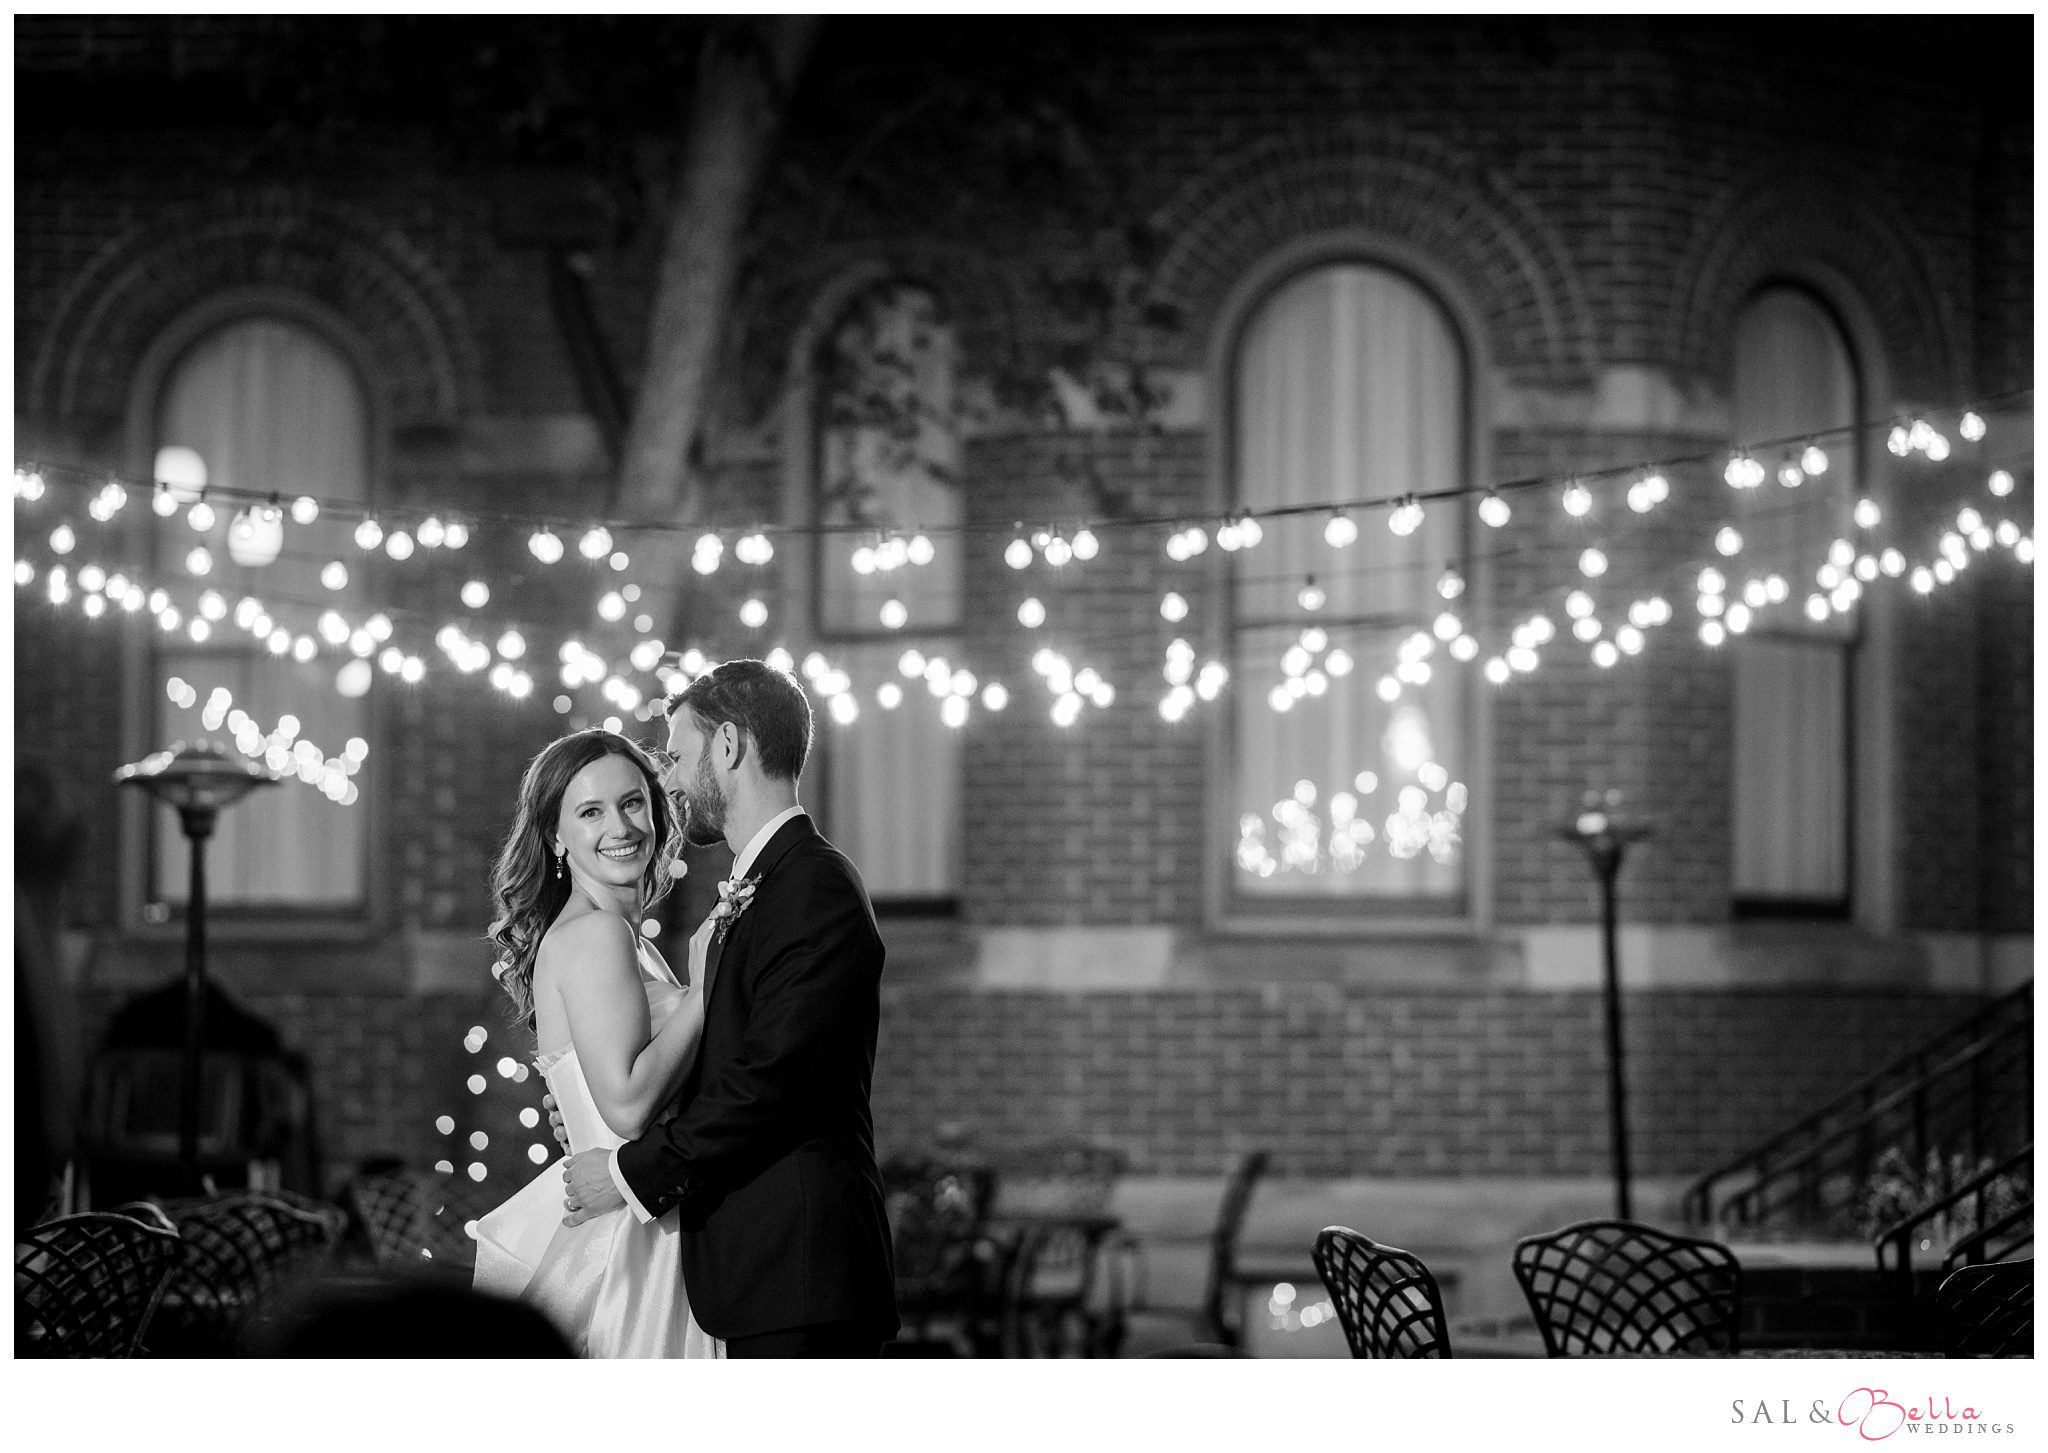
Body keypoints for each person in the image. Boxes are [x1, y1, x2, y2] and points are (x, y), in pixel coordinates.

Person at [556, 658, 899, 1357]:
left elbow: (775, 1083)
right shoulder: (765, 886)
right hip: (756, 1272)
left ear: (729, 746)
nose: (672, 782)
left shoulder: (813, 886)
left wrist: (627, 1169)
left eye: (678, 756)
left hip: (798, 1269)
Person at [471, 729, 720, 1357]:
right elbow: (630, 1107)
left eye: (632, 803)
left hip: (646, 1215)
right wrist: (708, 987)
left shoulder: (621, 937)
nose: (622, 826)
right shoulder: (598, 933)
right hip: (637, 1243)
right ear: (556, 836)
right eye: (591, 811)